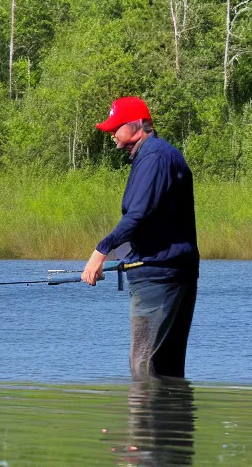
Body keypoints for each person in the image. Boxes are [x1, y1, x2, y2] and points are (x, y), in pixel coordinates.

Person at [81, 96, 199, 380]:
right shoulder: (154, 155)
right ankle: (170, 424)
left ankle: (145, 423)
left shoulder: (155, 157)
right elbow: (153, 218)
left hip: (158, 277)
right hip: (169, 270)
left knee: (144, 368)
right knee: (166, 369)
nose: (111, 134)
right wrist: (121, 256)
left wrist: (101, 252)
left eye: (115, 127)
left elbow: (137, 216)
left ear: (135, 126)